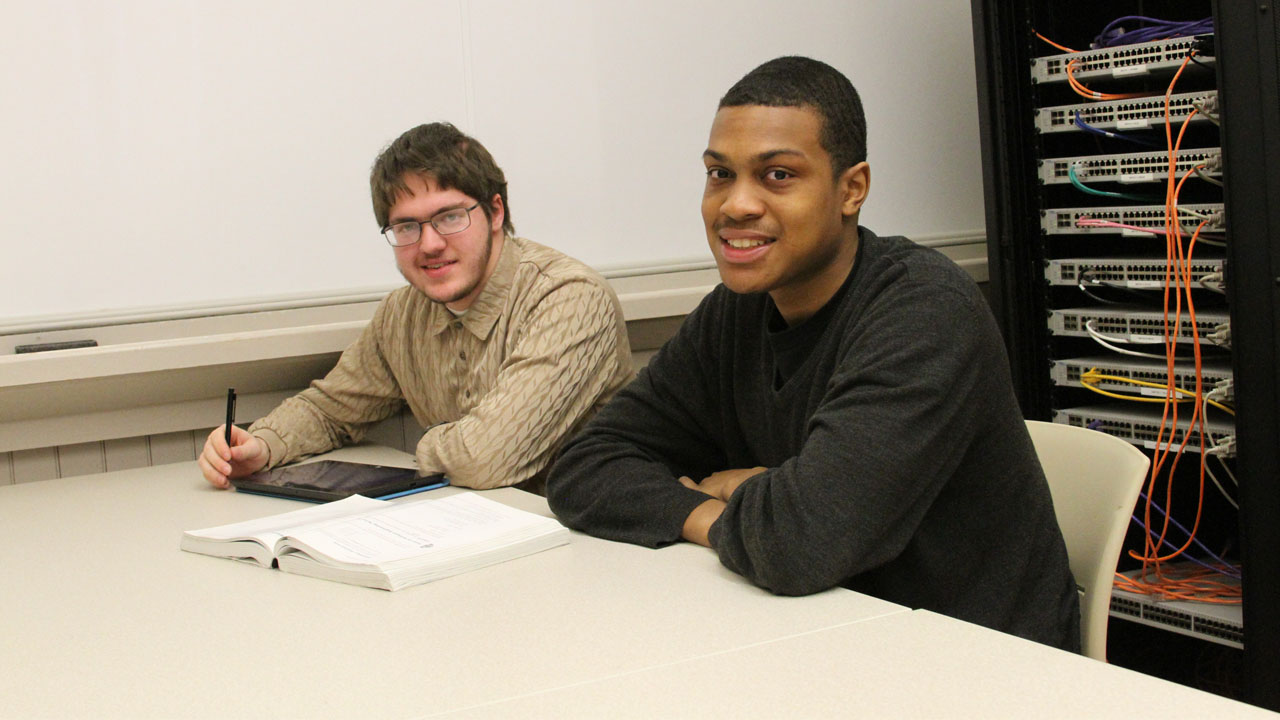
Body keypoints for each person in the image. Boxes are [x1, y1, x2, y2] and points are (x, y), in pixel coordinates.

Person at [545, 56, 1080, 650]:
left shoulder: (925, 311)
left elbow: (804, 540)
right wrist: (723, 508)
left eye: (777, 175)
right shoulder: (737, 310)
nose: (735, 205)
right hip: (814, 635)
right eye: (720, 174)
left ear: (851, 189)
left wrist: (762, 499)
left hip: (975, 662)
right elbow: (584, 469)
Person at [199, 122, 633, 492]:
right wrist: (262, 445)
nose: (429, 244)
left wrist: (423, 447)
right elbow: (329, 410)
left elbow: (484, 460)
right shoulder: (402, 315)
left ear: (495, 211)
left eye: (449, 217)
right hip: (475, 538)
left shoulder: (569, 297)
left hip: (592, 541)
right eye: (406, 226)